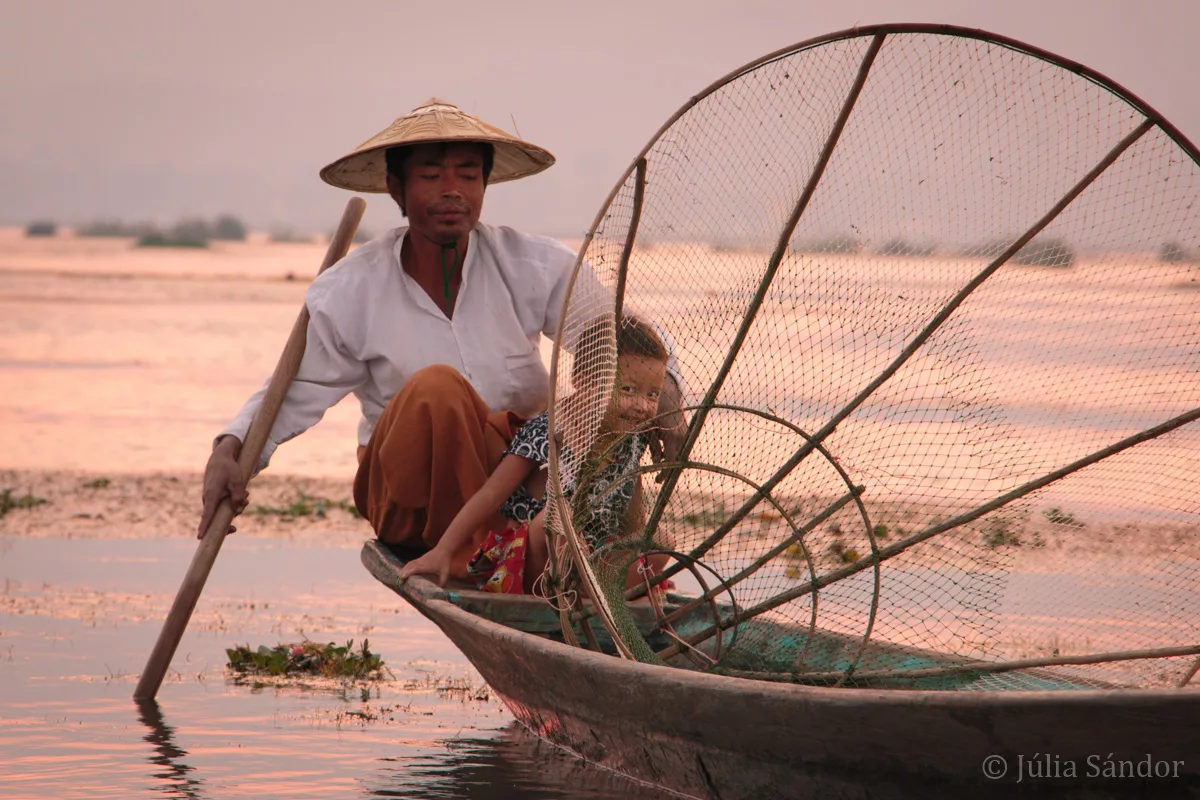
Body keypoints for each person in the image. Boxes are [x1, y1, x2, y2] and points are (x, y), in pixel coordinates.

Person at [198, 99, 683, 581]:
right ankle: (472, 559)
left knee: (592, 415)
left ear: (485, 186)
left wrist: (665, 396)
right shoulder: (351, 290)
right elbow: (291, 392)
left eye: (468, 176)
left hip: (517, 490)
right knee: (437, 389)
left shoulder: (533, 265)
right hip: (412, 504)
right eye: (430, 177)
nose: (452, 191)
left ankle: (553, 563)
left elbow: (623, 341)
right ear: (397, 189)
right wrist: (231, 449)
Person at [398, 315, 672, 594]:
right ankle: (593, 593)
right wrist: (443, 550)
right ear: (583, 379)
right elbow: (489, 496)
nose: (642, 405)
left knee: (661, 539)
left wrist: (642, 559)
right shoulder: (549, 431)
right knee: (557, 519)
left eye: (653, 394)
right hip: (532, 563)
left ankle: (601, 595)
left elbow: (633, 518)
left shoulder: (631, 441)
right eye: (627, 390)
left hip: (593, 563)